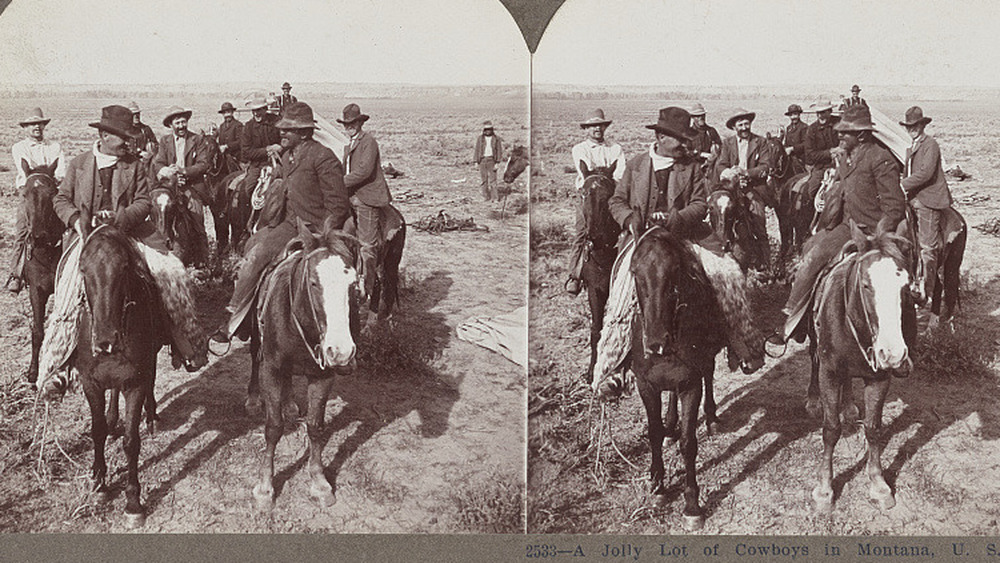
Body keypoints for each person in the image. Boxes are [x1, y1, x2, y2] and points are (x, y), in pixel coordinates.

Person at [42, 105, 200, 395]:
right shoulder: (79, 164)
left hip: (129, 234)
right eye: (122, 137)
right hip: (86, 237)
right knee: (66, 288)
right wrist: (76, 220)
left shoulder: (135, 166)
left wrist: (121, 218)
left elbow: (144, 202)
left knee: (170, 271)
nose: (128, 142)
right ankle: (57, 366)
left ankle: (185, 342)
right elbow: (61, 199)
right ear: (104, 135)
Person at [212, 101, 351, 343]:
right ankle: (244, 318)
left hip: (316, 230)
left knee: (333, 279)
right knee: (252, 249)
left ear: (305, 133)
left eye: (289, 129)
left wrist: (319, 235)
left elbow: (338, 206)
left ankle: (231, 319)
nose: (282, 132)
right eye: (282, 128)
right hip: (288, 225)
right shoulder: (288, 156)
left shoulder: (324, 158)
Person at [777, 104, 907, 343]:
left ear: (860, 134)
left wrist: (878, 236)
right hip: (848, 227)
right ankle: (796, 317)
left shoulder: (881, 159)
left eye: (844, 132)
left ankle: (904, 339)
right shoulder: (848, 157)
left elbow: (895, 205)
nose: (839, 135)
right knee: (810, 253)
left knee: (897, 281)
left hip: (873, 231)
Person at [565, 109, 626, 295]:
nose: (597, 129)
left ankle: (622, 271)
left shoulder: (615, 148)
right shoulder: (579, 149)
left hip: (610, 195)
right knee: (582, 232)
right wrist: (603, 177)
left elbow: (619, 174)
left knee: (623, 230)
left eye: (600, 125)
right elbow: (586, 172)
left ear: (604, 127)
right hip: (589, 197)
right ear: (587, 129)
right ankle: (574, 275)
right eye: (592, 126)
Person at [6, 108, 66, 294]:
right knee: (23, 230)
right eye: (32, 124)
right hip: (30, 193)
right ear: (26, 128)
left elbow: (61, 172)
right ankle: (16, 273)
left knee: (67, 226)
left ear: (43, 126)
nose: (36, 127)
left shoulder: (55, 147)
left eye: (39, 123)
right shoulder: (19, 148)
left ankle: (67, 268)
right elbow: (27, 171)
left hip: (50, 192)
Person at [900, 106, 953, 311]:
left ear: (922, 125)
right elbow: (910, 174)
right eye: (909, 126)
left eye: (916, 125)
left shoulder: (930, 144)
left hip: (929, 199)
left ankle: (927, 295)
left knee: (927, 247)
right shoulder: (911, 147)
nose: (912, 129)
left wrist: (903, 185)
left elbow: (926, 173)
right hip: (914, 197)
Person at [339, 103, 392, 306]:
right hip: (352, 195)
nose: (349, 127)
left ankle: (367, 287)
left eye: (353, 123)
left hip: (367, 196)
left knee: (367, 246)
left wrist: (339, 182)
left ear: (360, 123)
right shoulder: (350, 143)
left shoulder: (368, 142)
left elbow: (364, 171)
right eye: (346, 124)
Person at [713, 108, 777, 268]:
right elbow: (721, 164)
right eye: (740, 125)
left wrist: (746, 173)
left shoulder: (760, 142)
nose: (744, 128)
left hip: (753, 187)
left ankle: (765, 263)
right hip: (732, 187)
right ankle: (720, 252)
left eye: (746, 124)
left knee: (758, 218)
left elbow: (766, 166)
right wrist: (728, 172)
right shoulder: (728, 143)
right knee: (718, 212)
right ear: (734, 128)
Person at [150, 105, 212, 266]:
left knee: (196, 218)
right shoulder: (165, 141)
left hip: (191, 186)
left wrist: (184, 171)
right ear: (171, 125)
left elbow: (204, 164)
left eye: (183, 122)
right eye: (177, 123)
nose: (181, 126)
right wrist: (166, 170)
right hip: (171, 186)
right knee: (158, 212)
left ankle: (203, 260)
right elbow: (158, 162)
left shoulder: (197, 139)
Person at [240, 96, 282, 187]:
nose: (255, 114)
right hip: (258, 165)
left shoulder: (277, 121)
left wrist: (280, 147)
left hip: (278, 163)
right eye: (253, 111)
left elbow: (286, 139)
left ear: (265, 109)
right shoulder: (248, 127)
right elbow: (246, 152)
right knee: (248, 188)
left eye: (258, 110)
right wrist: (267, 150)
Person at [803, 100, 839, 203]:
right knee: (811, 191)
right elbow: (810, 154)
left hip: (842, 164)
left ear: (830, 111)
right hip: (822, 167)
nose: (820, 116)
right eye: (818, 113)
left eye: (823, 112)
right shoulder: (812, 129)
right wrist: (830, 153)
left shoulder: (839, 123)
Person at [473, 120, 504, 201]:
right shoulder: (480, 139)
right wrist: (476, 162)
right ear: (483, 130)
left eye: (489, 129)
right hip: (482, 160)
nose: (488, 131)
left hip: (492, 160)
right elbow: (477, 150)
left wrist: (497, 163)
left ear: (492, 129)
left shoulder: (496, 139)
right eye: (486, 129)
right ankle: (485, 197)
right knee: (484, 180)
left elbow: (499, 151)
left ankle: (495, 198)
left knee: (493, 181)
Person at [687, 102, 722, 172]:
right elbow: (686, 151)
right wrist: (701, 154)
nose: (701, 118)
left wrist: (716, 149)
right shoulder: (688, 133)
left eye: (702, 115)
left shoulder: (711, 131)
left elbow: (720, 147)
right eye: (697, 116)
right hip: (693, 167)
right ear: (693, 117)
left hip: (710, 166)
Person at [127, 101, 158, 165]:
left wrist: (151, 148)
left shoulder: (146, 129)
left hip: (145, 161)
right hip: (129, 161)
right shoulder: (125, 130)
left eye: (137, 113)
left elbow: (156, 144)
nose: (136, 116)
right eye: (133, 114)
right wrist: (137, 152)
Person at [780, 104, 808, 174]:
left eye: (795, 114)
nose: (793, 117)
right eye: (791, 115)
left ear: (799, 115)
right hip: (789, 158)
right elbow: (786, 143)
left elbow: (806, 144)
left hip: (800, 158)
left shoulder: (804, 127)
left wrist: (792, 148)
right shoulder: (788, 128)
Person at [217, 101, 243, 171]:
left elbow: (240, 141)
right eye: (224, 113)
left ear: (232, 112)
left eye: (228, 112)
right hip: (223, 157)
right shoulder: (222, 126)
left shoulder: (238, 125)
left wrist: (227, 146)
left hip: (235, 156)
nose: (227, 115)